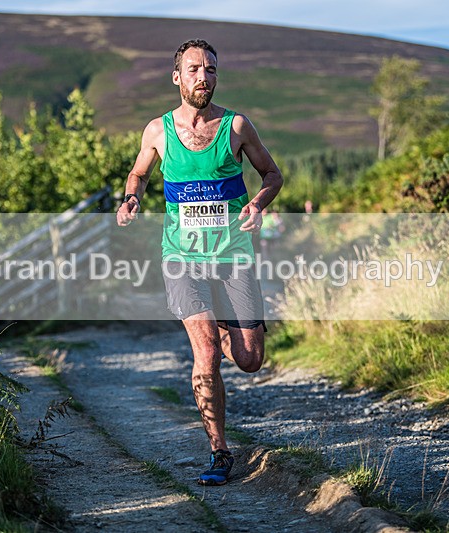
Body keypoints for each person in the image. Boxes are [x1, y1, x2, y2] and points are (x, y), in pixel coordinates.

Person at [116, 39, 283, 486]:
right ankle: (219, 451)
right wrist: (132, 198)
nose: (203, 77)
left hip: (232, 256)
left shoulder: (236, 126)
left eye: (210, 69)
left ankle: (226, 326)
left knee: (249, 359)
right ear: (177, 77)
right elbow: (139, 173)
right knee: (205, 353)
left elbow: (272, 174)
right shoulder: (158, 131)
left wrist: (257, 204)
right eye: (194, 69)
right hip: (182, 258)